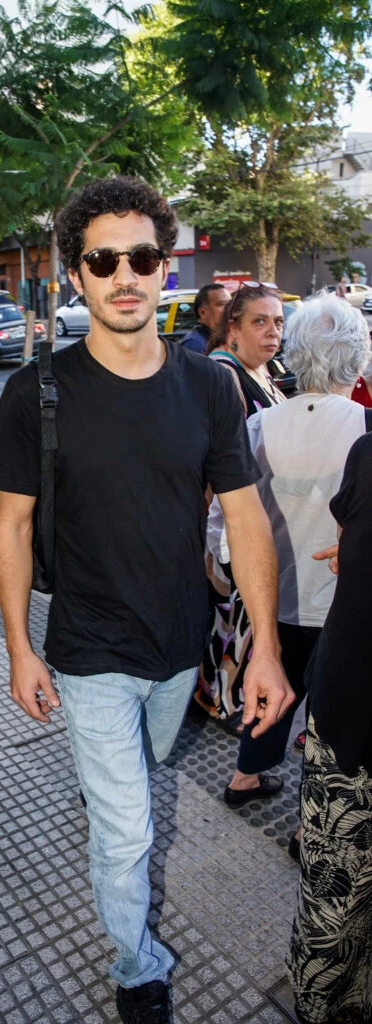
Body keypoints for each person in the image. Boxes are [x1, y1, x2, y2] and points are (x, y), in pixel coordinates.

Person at [0, 176, 293, 1024]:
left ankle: (102, 784)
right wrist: (17, 647)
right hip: (86, 646)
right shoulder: (37, 391)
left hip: (178, 643)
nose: (124, 274)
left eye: (142, 256)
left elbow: (246, 515)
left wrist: (263, 647)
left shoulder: (207, 388)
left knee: (136, 781)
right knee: (127, 831)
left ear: (165, 270)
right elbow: (8, 529)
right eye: (102, 259)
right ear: (75, 276)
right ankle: (134, 965)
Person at [222, 295, 371, 809]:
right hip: (343, 604)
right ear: (356, 358)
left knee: (271, 682)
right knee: (331, 712)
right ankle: (311, 825)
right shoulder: (365, 430)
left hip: (273, 594)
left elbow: (226, 519)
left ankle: (245, 776)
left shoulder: (260, 427)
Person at [286, 432, 372, 1024]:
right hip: (351, 705)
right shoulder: (366, 454)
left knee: (334, 889)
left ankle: (323, 1003)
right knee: (335, 887)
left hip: (350, 701)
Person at [195, 283, 287, 730]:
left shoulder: (263, 370)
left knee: (237, 619)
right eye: (260, 321)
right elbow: (215, 463)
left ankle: (222, 696)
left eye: (278, 322)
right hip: (227, 524)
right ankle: (223, 702)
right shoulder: (224, 372)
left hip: (249, 518)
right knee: (230, 617)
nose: (273, 332)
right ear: (232, 328)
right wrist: (216, 541)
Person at [179, 283, 230, 354]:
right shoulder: (194, 344)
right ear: (202, 312)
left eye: (230, 303)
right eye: (221, 304)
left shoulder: (223, 338)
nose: (229, 308)